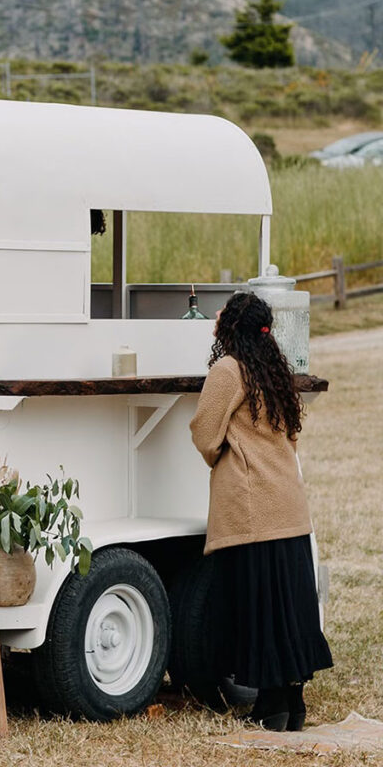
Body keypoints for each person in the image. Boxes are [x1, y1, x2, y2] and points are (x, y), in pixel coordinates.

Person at [190, 292, 332, 732]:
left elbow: (204, 435)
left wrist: (225, 457)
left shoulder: (227, 370)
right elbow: (291, 437)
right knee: (287, 609)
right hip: (288, 505)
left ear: (229, 326)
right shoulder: (275, 371)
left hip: (252, 509)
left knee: (258, 609)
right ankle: (292, 703)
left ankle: (270, 708)